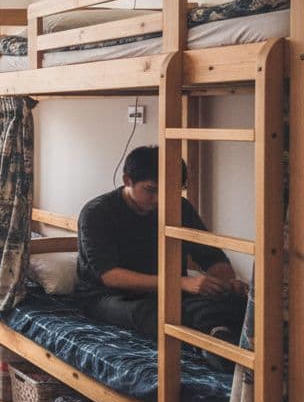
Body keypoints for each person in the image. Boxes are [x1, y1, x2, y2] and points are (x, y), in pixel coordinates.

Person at [76, 146, 247, 367]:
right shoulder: (97, 212)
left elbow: (212, 257)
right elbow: (111, 276)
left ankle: (218, 336)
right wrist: (179, 283)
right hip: (108, 296)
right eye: (151, 190)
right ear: (127, 180)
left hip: (170, 290)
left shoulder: (179, 208)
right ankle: (210, 343)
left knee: (240, 301)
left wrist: (225, 282)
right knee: (148, 312)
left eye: (170, 191)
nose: (159, 199)